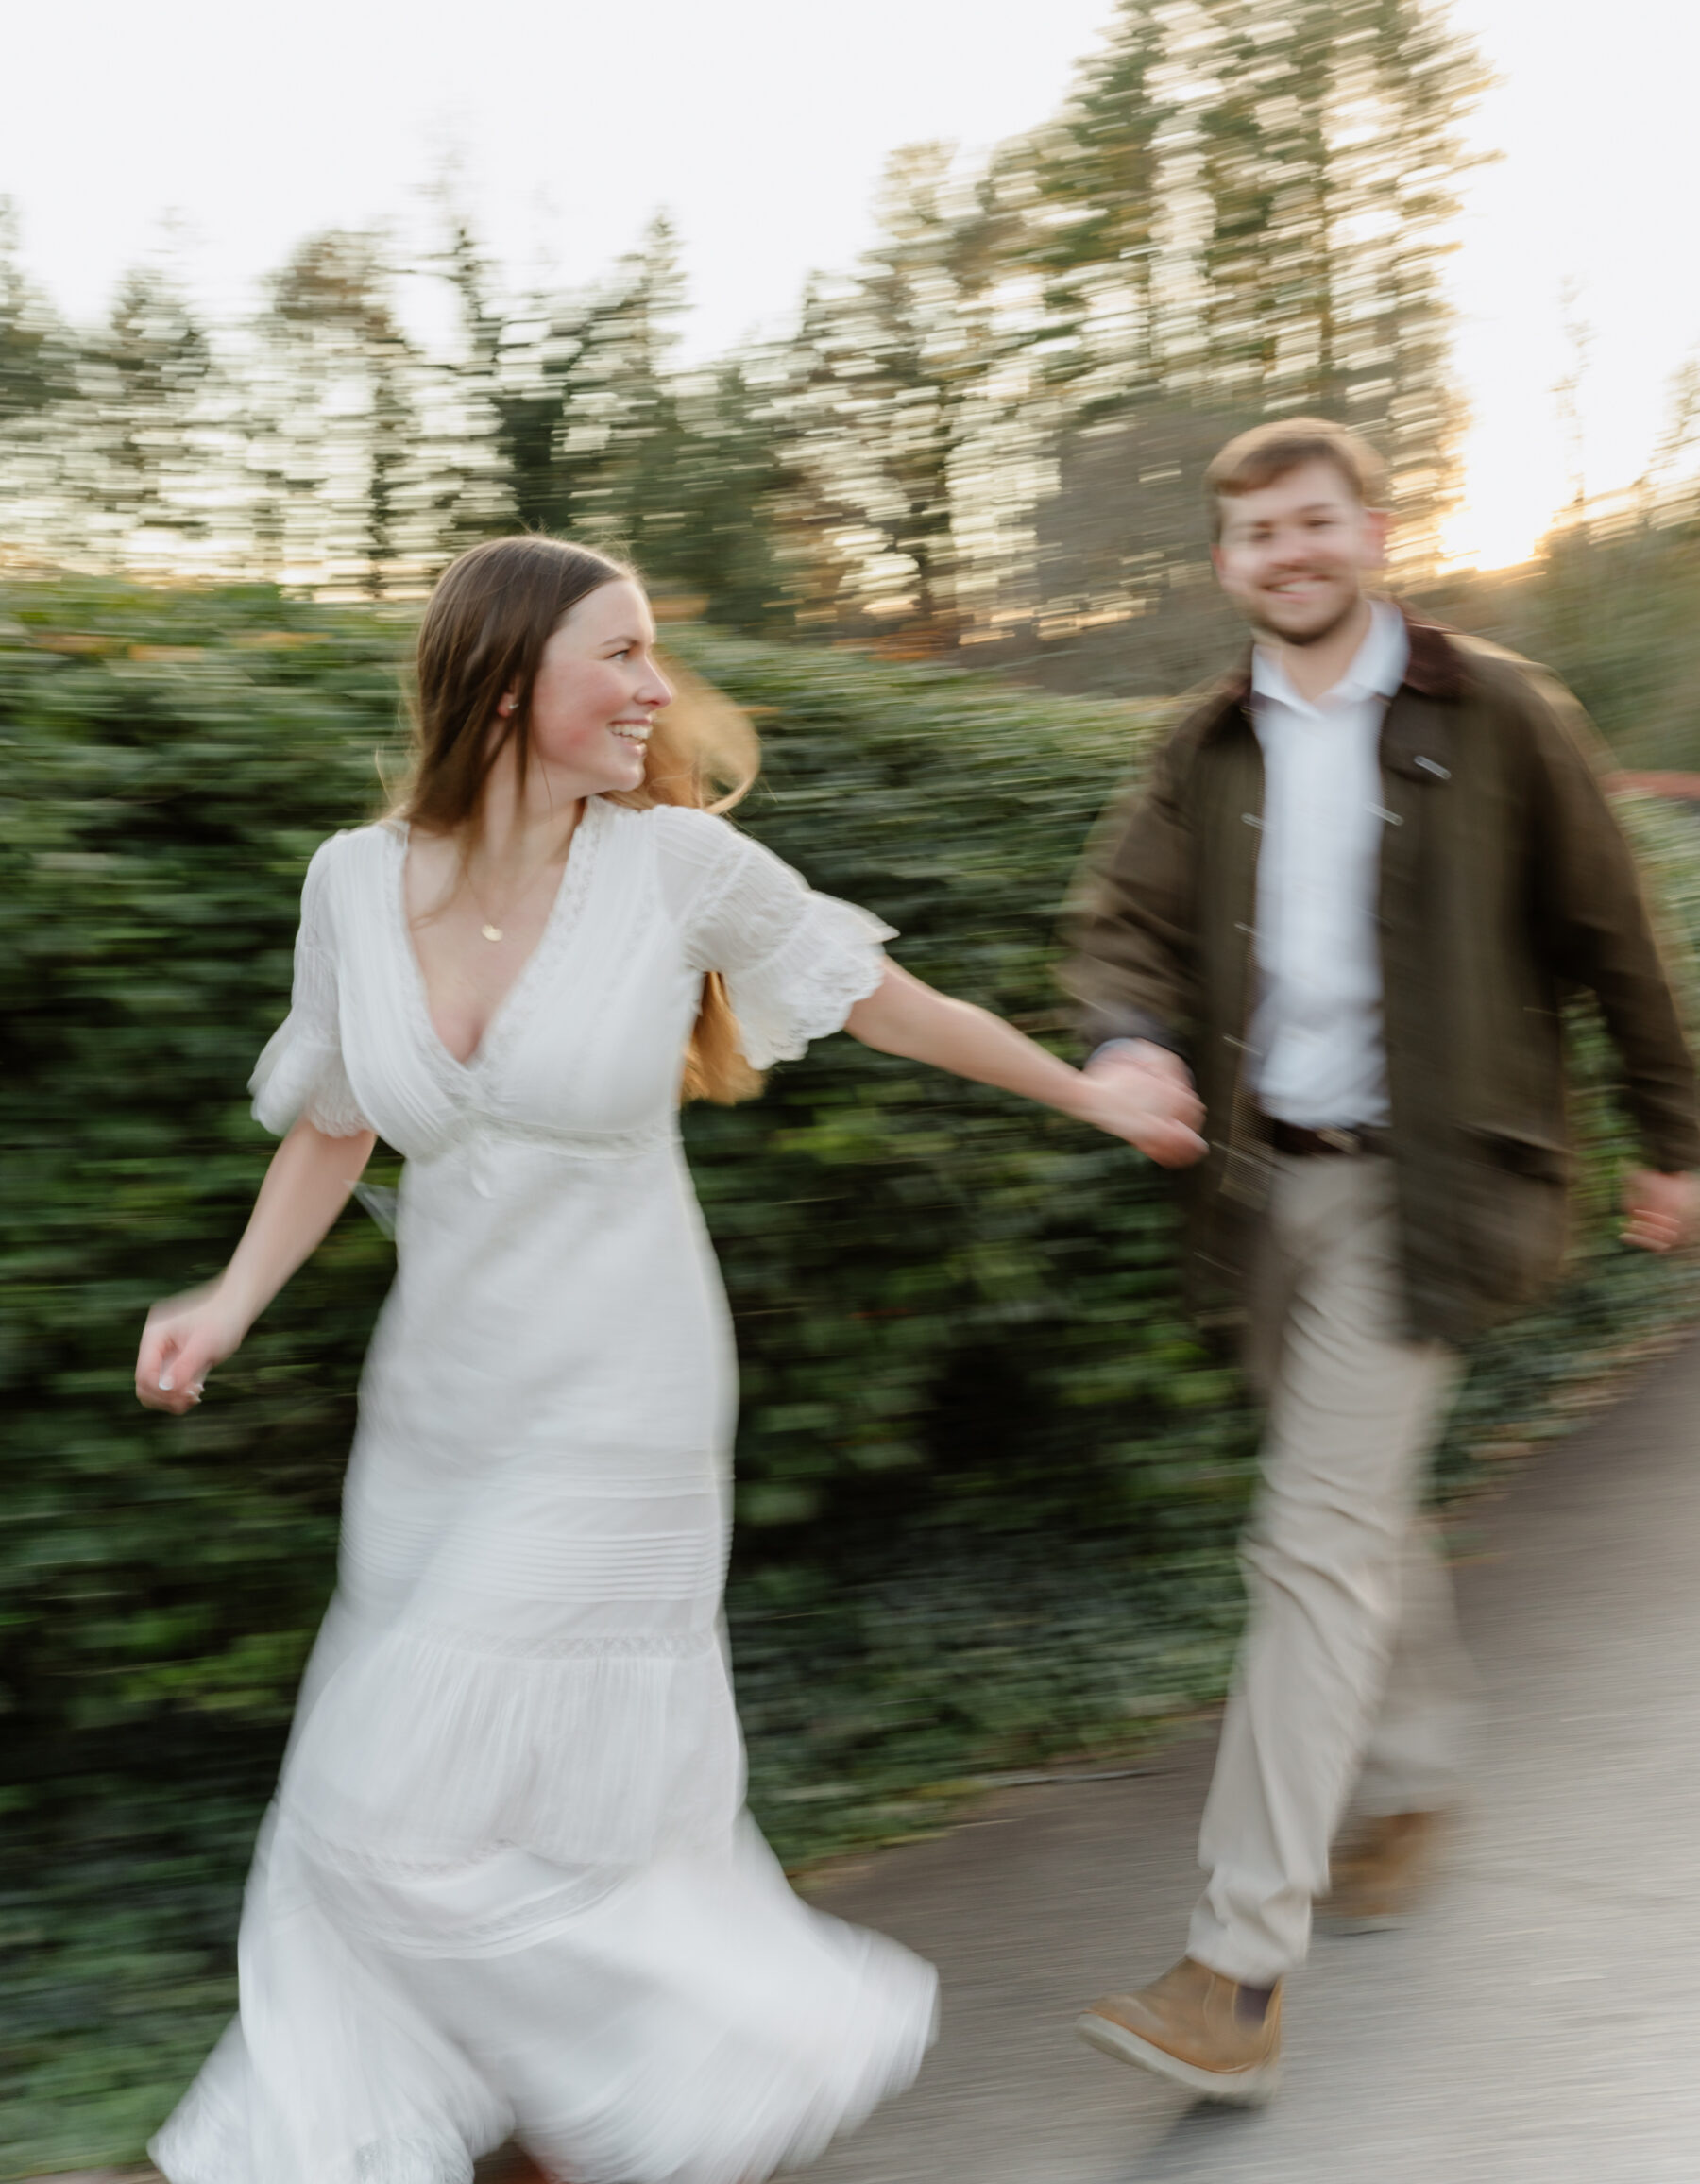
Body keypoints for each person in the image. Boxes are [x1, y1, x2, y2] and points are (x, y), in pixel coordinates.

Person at [135, 535, 1203, 2184]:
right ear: (508, 683)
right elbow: (335, 1121)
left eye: (652, 654)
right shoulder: (351, 882)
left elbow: (887, 1002)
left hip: (618, 1398)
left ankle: (710, 2054)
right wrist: (229, 1301)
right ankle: (556, 2120)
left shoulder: (675, 869)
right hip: (439, 1409)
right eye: (619, 654)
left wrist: (1091, 1093)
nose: (655, 690)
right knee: (521, 1794)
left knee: (377, 1812)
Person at [1065, 417, 1700, 2104]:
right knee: (1346, 1511)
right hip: (1261, 1192)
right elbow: (1123, 922)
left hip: (1428, 1191)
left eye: (1314, 522)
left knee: (1310, 1544)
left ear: (1376, 532)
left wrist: (1676, 1137)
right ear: (1226, 562)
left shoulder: (1501, 714)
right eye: (1257, 533)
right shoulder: (1208, 739)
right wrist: (1128, 1037)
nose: (1289, 554)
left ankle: (1235, 1970)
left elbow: (1615, 936)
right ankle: (1415, 1764)